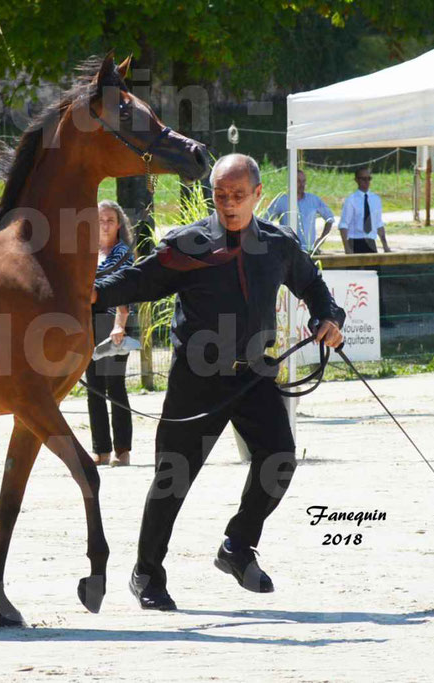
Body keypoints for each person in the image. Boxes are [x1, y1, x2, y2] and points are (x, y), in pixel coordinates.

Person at [93, 154, 345, 610]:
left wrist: (328, 316)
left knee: (279, 459)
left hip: (254, 374)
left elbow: (314, 286)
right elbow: (138, 281)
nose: (228, 204)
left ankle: (237, 546)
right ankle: (146, 573)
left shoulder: (278, 244)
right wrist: (88, 294)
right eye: (220, 195)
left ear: (257, 196)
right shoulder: (188, 244)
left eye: (238, 196)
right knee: (173, 478)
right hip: (197, 378)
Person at [87, 200, 135, 467]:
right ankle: (101, 450)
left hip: (117, 320)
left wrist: (119, 324)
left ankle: (123, 450)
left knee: (114, 384)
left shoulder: (123, 254)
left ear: (119, 224)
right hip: (89, 325)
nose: (104, 225)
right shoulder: (86, 253)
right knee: (93, 386)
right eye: (100, 220)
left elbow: (126, 291)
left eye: (109, 220)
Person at [264, 169, 335, 253]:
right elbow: (265, 221)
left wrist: (321, 240)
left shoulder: (313, 200)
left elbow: (330, 218)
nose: (302, 185)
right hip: (287, 251)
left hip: (309, 251)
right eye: (298, 181)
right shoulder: (281, 201)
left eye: (303, 181)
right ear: (291, 182)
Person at [339, 167, 391, 254]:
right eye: (363, 179)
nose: (367, 182)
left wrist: (385, 246)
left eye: (369, 179)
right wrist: (347, 248)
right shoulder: (351, 200)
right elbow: (344, 225)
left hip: (370, 241)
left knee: (374, 267)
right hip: (355, 241)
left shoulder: (376, 199)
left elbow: (379, 223)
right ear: (356, 180)